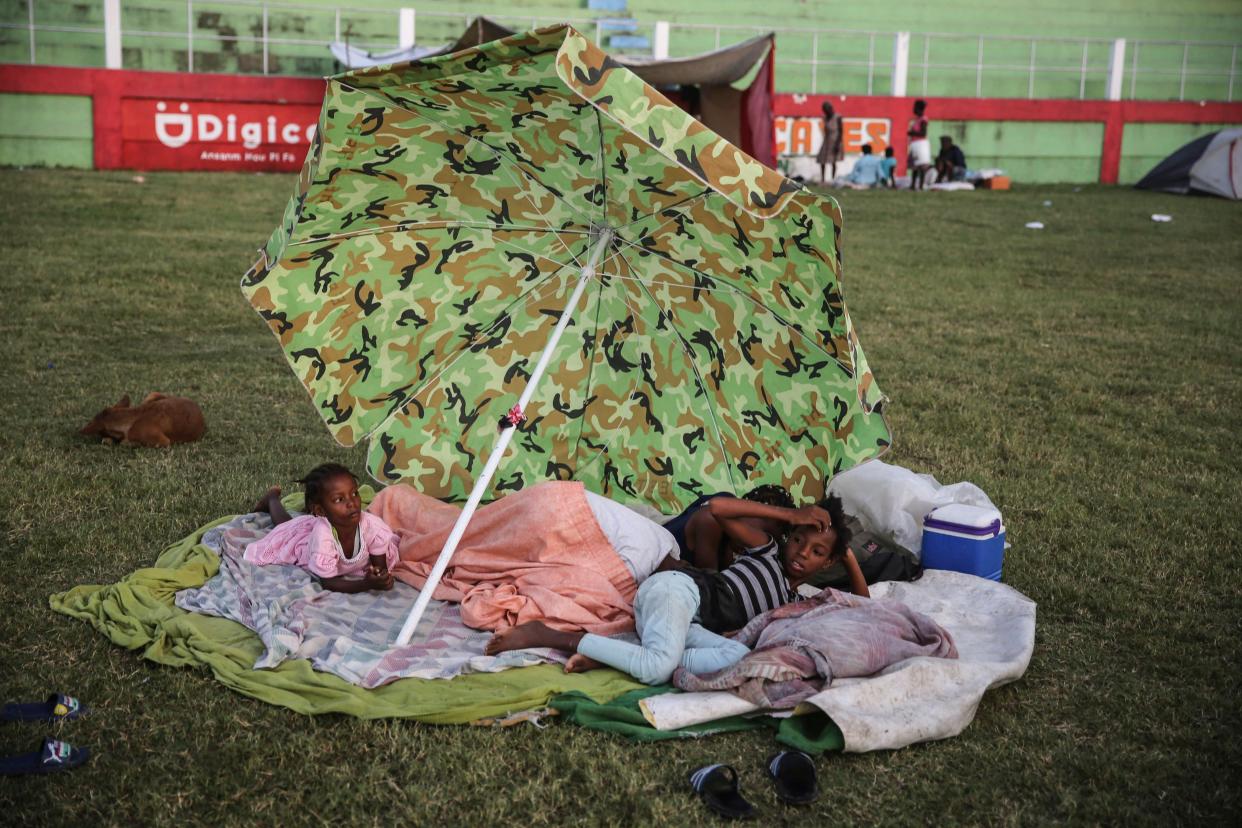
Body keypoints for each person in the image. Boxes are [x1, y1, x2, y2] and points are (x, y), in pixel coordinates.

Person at [485, 495, 869, 685]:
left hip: (686, 620)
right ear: (787, 538)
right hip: (678, 591)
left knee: (738, 655)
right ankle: (555, 636)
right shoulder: (766, 550)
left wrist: (848, 556)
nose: (802, 552)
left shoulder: (793, 601)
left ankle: (620, 654)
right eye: (799, 540)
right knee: (656, 671)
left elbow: (863, 609)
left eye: (818, 552)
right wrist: (788, 516)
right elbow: (716, 508)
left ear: (828, 563)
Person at [246, 463, 399, 593]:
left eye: (354, 493)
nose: (352, 503)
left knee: (289, 527)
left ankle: (272, 500)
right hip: (308, 548)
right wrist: (366, 585)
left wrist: (381, 577)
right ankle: (272, 499)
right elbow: (328, 582)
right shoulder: (323, 538)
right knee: (286, 530)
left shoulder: (372, 527)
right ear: (320, 510)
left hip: (335, 542)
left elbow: (380, 568)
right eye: (339, 499)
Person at [662, 484, 795, 571]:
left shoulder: (734, 545)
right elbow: (709, 585)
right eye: (761, 533)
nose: (756, 541)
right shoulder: (711, 520)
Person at [906, 99, 932, 190]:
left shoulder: (923, 120)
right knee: (915, 166)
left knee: (921, 166)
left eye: (915, 107)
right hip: (915, 144)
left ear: (918, 108)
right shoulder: (917, 119)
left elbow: (923, 133)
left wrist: (911, 133)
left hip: (921, 144)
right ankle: (913, 185)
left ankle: (920, 186)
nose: (913, 109)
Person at [816, 101, 844, 184]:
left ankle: (833, 179)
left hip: (835, 141)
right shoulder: (825, 118)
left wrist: (838, 144)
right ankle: (823, 179)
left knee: (833, 161)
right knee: (822, 159)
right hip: (827, 140)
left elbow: (841, 131)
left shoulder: (838, 117)